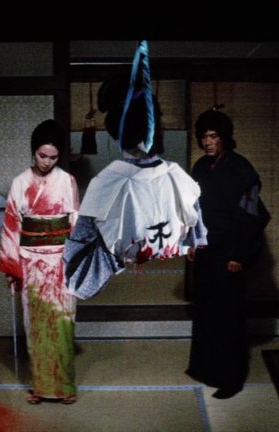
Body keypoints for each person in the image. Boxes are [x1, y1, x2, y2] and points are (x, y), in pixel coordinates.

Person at [63, 40, 207, 300]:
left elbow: (80, 247)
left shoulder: (106, 181)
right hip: (163, 247)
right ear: (157, 129)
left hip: (130, 252)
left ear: (116, 133)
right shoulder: (176, 175)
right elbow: (198, 233)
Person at [185, 109, 270, 399]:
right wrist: (192, 242)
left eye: (213, 136)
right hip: (207, 248)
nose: (208, 142)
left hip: (230, 252)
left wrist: (239, 255)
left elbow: (251, 216)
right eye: (204, 137)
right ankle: (206, 369)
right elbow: (193, 210)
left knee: (228, 315)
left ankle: (231, 379)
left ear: (224, 138)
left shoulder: (240, 169)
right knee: (205, 309)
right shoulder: (199, 168)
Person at [0, 119, 81, 405]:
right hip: (30, 262)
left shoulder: (67, 181)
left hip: (61, 261)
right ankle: (40, 386)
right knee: (35, 323)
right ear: (33, 152)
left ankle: (66, 385)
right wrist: (12, 268)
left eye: (53, 157)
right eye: (41, 155)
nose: (47, 162)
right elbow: (11, 227)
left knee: (62, 321)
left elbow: (76, 223)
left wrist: (76, 260)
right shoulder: (19, 183)